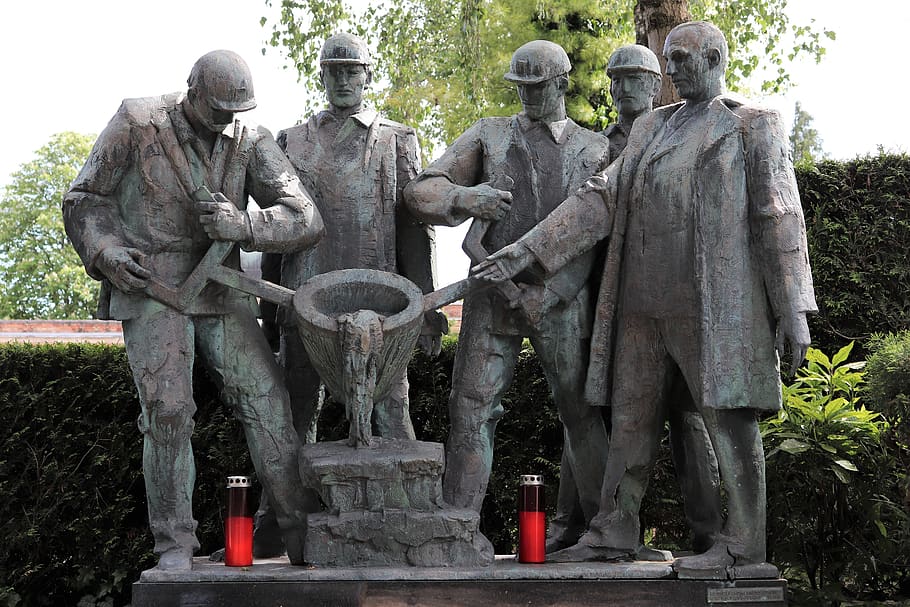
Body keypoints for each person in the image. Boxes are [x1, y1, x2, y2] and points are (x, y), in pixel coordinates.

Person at [473, 22, 816, 572]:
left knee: (728, 418)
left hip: (714, 306)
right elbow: (599, 198)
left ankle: (745, 545)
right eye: (669, 58)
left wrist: (794, 309)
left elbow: (780, 217)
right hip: (640, 303)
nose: (671, 67)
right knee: (630, 418)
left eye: (681, 58)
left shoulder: (754, 125)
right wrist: (527, 252)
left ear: (715, 58)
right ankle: (614, 528)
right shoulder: (651, 127)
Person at [62, 50, 325, 571]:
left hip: (222, 289)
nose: (226, 120)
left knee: (268, 403)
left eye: (235, 111)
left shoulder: (251, 140)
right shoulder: (137, 122)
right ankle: (174, 544)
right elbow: (84, 198)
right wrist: (105, 252)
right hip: (152, 288)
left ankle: (302, 533)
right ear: (191, 90)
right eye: (217, 109)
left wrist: (245, 226)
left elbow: (306, 218)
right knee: (168, 414)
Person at [404, 40, 610, 526]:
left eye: (537, 88)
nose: (527, 97)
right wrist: (465, 197)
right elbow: (419, 192)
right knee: (470, 407)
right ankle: (459, 522)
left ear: (562, 83)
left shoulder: (595, 149)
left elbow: (599, 239)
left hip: (561, 302)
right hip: (489, 297)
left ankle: (607, 529)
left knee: (580, 410)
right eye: (521, 88)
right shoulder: (489, 136)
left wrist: (552, 293)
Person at [255, 33, 445, 556]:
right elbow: (277, 224)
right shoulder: (291, 141)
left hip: (379, 307)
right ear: (321, 76)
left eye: (352, 70)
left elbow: (413, 229)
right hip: (304, 300)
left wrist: (423, 305)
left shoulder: (396, 140)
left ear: (367, 73)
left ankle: (415, 517)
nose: (343, 79)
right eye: (333, 70)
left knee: (389, 410)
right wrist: (271, 309)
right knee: (295, 414)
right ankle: (281, 524)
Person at [547, 43, 723, 555]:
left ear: (654, 83)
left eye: (632, 79)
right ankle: (579, 525)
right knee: (588, 418)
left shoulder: (673, 131)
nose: (621, 88)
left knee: (688, 422)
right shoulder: (596, 146)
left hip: (671, 299)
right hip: (608, 300)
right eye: (614, 79)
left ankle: (708, 529)